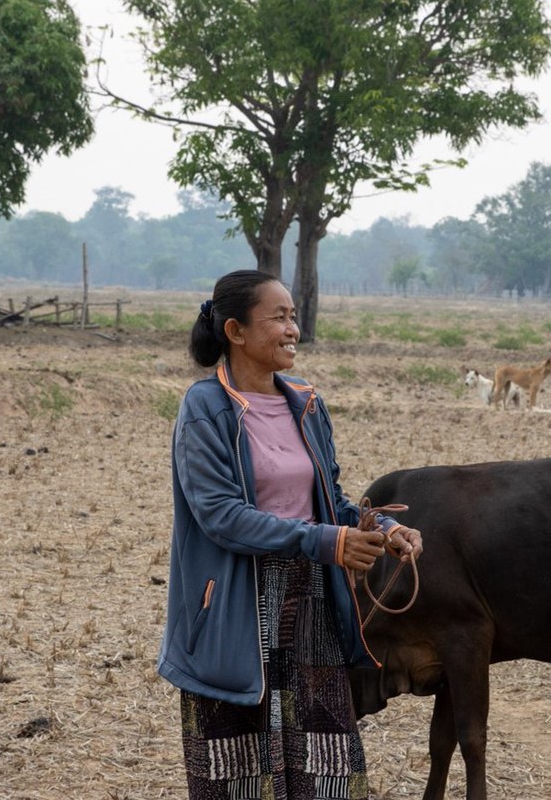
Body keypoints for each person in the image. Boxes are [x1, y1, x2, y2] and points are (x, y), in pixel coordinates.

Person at [157, 269, 423, 800]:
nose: (292, 329)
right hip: (233, 606)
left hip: (314, 604)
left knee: (326, 770)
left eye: (293, 316)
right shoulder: (205, 408)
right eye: (278, 317)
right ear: (235, 331)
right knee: (239, 773)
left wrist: (383, 527)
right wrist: (329, 542)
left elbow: (332, 499)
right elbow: (221, 516)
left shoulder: (306, 402)